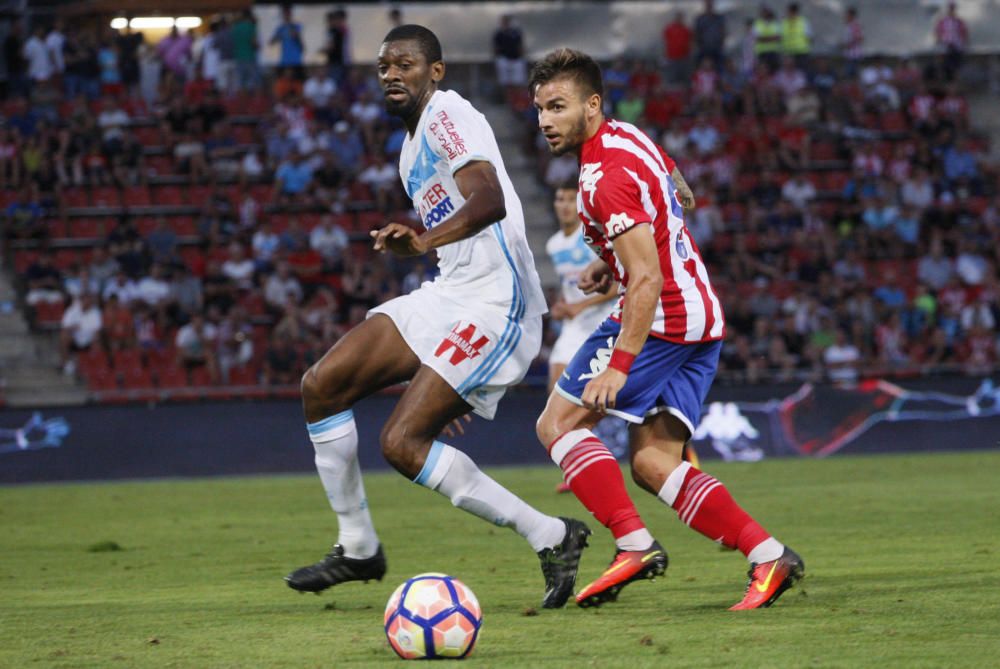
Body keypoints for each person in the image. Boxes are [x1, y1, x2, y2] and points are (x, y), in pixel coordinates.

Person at [283, 24, 590, 609]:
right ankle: (357, 546)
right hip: (451, 294)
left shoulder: (448, 113)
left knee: (402, 442)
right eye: (383, 67)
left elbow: (490, 199)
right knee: (321, 386)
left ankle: (551, 535)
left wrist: (421, 241)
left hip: (498, 302)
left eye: (405, 64)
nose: (392, 75)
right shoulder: (409, 148)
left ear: (436, 71)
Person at [530, 47, 803, 610]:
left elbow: (648, 278)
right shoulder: (629, 136)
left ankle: (632, 544)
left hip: (663, 319)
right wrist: (616, 253)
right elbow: (677, 189)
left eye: (558, 107)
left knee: (556, 424)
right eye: (540, 109)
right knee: (654, 463)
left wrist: (620, 366)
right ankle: (768, 555)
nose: (545, 121)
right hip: (704, 316)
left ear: (592, 104)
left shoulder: (605, 178)